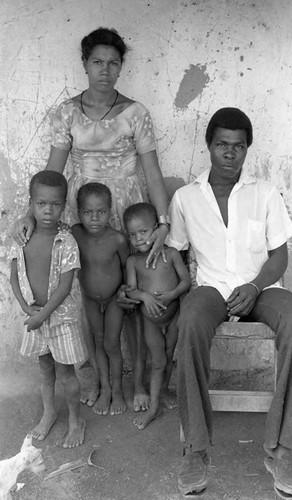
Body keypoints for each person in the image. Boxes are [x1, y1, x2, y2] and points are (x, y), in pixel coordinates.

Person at [12, 27, 170, 411]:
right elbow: (53, 169)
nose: (105, 69)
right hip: (84, 213)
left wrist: (163, 222)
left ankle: (135, 383)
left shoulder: (136, 113)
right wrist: (28, 214)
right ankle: (94, 378)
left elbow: (152, 172)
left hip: (126, 213)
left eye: (113, 63)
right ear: (84, 64)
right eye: (97, 62)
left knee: (129, 296)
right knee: (85, 295)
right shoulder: (66, 112)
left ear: (121, 68)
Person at [166, 107, 292, 498]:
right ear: (208, 145)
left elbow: (280, 256)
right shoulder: (185, 198)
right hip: (212, 288)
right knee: (191, 319)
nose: (230, 154)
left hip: (263, 288)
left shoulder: (264, 193)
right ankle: (195, 450)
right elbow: (176, 250)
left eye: (238, 147)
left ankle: (282, 449)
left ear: (247, 149)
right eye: (221, 145)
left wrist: (254, 285)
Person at [9, 170, 87, 448]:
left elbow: (65, 287)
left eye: (55, 205)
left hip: (60, 320)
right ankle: (49, 412)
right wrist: (26, 309)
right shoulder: (22, 238)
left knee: (66, 373)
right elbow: (14, 276)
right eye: (41, 204)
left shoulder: (66, 241)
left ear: (64, 205)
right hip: (34, 317)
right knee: (45, 370)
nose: (48, 210)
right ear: (31, 203)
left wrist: (42, 315)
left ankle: (76, 420)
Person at [123, 203, 191, 430]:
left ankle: (163, 391)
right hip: (150, 320)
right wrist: (144, 296)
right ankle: (153, 408)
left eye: (143, 232)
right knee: (159, 361)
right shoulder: (133, 262)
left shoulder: (171, 255)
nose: (139, 239)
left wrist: (171, 294)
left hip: (173, 316)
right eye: (132, 235)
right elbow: (130, 290)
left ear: (157, 229)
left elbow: (186, 282)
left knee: (170, 354)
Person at [72, 183, 129, 416]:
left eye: (101, 212)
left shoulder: (118, 240)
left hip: (115, 298)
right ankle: (104, 389)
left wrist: (126, 291)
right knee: (97, 342)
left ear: (110, 211)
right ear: (79, 213)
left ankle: (118, 391)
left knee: (111, 345)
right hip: (91, 299)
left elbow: (127, 266)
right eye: (87, 212)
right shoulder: (75, 233)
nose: (94, 218)